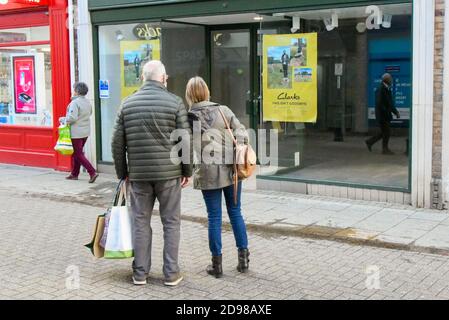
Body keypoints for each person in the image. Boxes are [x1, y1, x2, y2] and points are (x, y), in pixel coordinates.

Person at [111, 60, 192, 287]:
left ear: (142, 78)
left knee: (140, 222)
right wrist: (187, 171)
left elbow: (117, 143)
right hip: (169, 175)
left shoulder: (127, 104)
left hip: (139, 176)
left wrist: (123, 173)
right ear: (164, 78)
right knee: (171, 223)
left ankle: (140, 274)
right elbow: (184, 139)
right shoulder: (175, 102)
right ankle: (171, 274)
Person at [186, 76, 250, 279]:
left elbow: (186, 148)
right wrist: (236, 146)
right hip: (232, 171)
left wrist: (185, 171)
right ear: (206, 91)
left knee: (214, 217)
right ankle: (243, 260)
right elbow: (242, 133)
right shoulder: (223, 110)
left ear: (189, 95)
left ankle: (217, 265)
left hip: (207, 172)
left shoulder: (187, 118)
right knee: (235, 212)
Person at [63, 82, 98, 183]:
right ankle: (74, 174)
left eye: (74, 89)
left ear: (77, 91)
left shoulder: (75, 102)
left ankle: (92, 172)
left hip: (76, 133)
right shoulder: (87, 102)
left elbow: (72, 118)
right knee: (77, 153)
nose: (72, 91)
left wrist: (63, 119)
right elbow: (90, 113)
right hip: (85, 132)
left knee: (78, 154)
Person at [366, 73, 400, 155]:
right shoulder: (381, 89)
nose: (391, 80)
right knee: (386, 132)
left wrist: (395, 112)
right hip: (382, 116)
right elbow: (379, 103)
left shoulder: (387, 88)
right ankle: (384, 149)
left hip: (385, 115)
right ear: (386, 80)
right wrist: (386, 111)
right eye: (390, 79)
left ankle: (370, 142)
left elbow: (390, 103)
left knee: (384, 132)